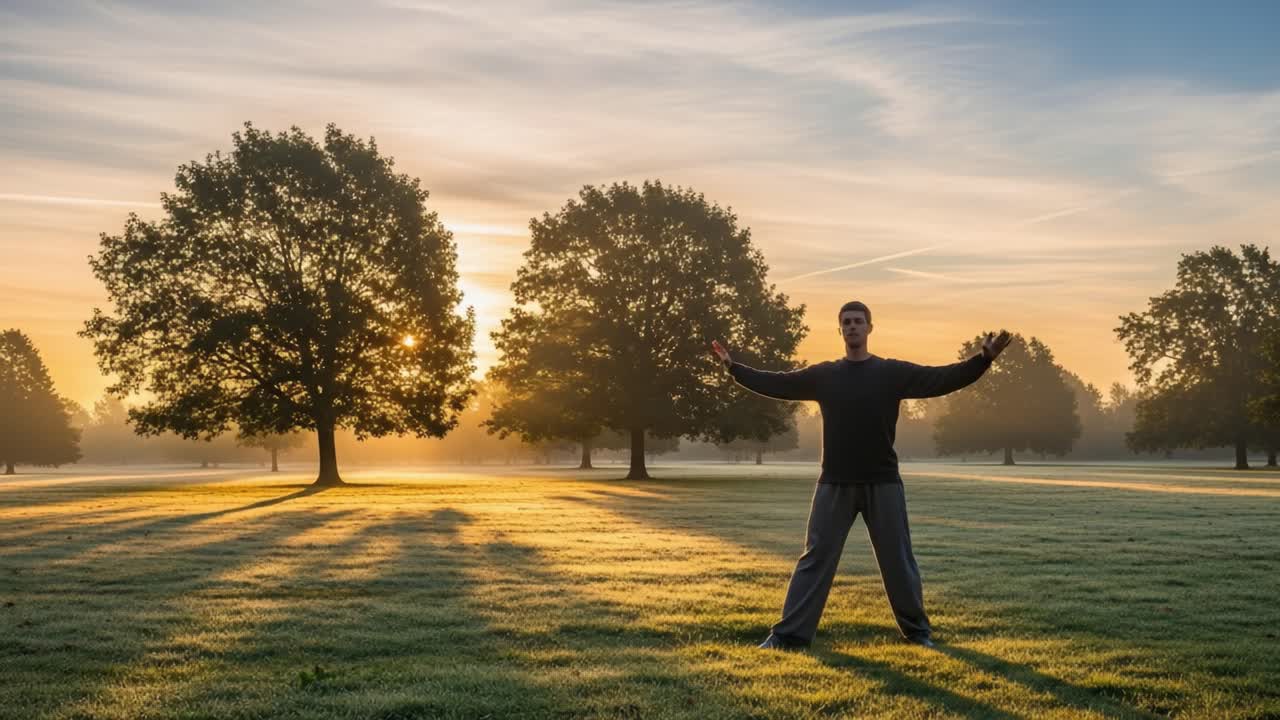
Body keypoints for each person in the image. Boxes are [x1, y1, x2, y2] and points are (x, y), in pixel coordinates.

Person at [711, 300, 1011, 650]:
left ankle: (918, 634)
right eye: (846, 322)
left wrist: (983, 360)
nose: (852, 326)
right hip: (834, 482)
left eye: (858, 321)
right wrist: (735, 369)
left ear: (870, 328)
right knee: (815, 559)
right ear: (840, 330)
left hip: (882, 482)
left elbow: (942, 378)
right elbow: (780, 384)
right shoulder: (825, 376)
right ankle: (788, 637)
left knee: (898, 561)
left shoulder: (891, 373)